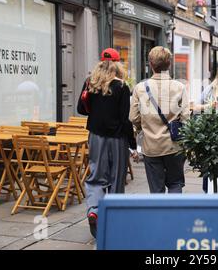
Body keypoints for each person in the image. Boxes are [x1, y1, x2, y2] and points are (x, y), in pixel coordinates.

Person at [76, 48, 137, 239]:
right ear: (118, 65)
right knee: (116, 179)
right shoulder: (122, 87)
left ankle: (94, 209)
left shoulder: (90, 83)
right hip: (117, 139)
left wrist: (96, 110)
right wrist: (133, 144)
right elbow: (125, 120)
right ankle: (114, 222)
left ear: (100, 63)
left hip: (95, 136)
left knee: (96, 176)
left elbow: (81, 109)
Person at [129, 46, 190, 194]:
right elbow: (186, 119)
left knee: (156, 190)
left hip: (151, 146)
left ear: (150, 64)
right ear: (169, 64)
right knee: (175, 184)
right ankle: (175, 216)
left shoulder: (140, 88)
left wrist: (143, 127)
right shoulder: (179, 87)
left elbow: (133, 117)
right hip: (174, 146)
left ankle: (159, 217)